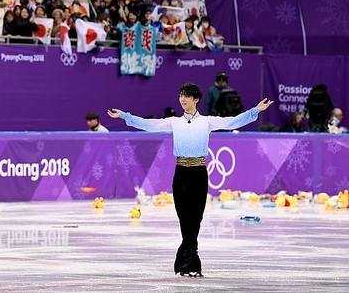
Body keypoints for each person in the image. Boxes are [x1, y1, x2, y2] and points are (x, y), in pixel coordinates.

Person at [107, 83, 273, 276]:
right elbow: (148, 125)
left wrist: (255, 111)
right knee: (184, 219)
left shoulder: (207, 122)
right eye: (180, 96)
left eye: (186, 96)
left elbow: (232, 122)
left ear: (196, 100)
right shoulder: (174, 122)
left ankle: (186, 262)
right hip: (181, 174)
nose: (182, 99)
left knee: (196, 219)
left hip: (199, 174)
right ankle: (190, 263)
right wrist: (125, 116)